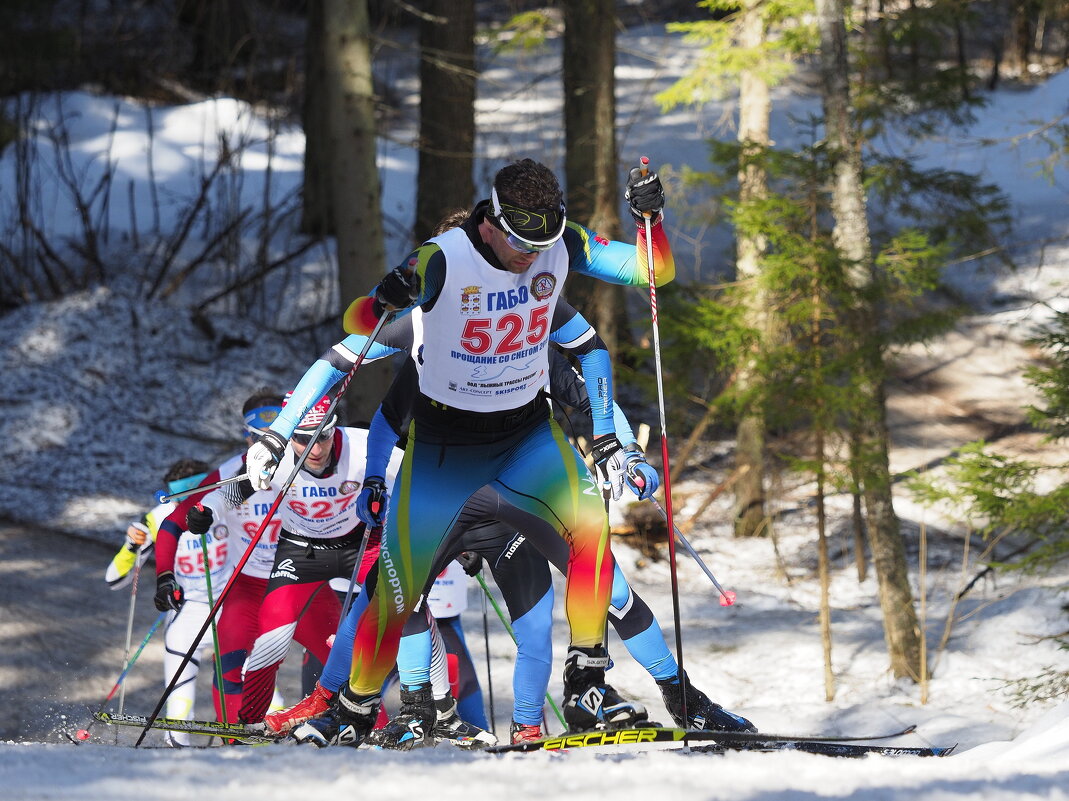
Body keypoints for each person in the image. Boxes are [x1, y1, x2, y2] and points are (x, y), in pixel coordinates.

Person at [246, 158, 676, 746]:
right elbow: (352, 332)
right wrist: (281, 430)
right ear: (491, 222)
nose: (532, 256)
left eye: (543, 243)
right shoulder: (442, 259)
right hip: (446, 450)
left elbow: (652, 271)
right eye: (522, 243)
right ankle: (354, 706)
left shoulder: (559, 243)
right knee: (396, 593)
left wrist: (649, 218)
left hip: (526, 436)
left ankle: (587, 685)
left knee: (590, 531)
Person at [189, 393, 404, 726]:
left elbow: (424, 471)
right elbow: (229, 493)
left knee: (406, 610)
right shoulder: (272, 455)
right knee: (269, 643)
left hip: (358, 546)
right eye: (303, 440)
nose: (316, 450)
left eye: (324, 436)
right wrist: (207, 512)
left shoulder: (363, 445)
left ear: (337, 427)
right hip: (302, 553)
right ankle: (250, 725)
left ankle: (389, 721)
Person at [152, 390, 297, 724]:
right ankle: (234, 742)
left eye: (276, 438)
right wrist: (164, 577)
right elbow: (171, 526)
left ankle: (350, 734)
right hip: (250, 588)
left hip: (304, 579)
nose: (266, 447)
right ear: (246, 436)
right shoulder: (231, 472)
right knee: (232, 666)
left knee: (336, 660)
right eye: (257, 438)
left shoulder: (310, 463)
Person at [107, 457, 224, 746]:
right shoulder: (158, 518)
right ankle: (177, 747)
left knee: (253, 683)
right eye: (177, 499)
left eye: (193, 495)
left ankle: (264, 741)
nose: (183, 506)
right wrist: (133, 545)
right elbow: (113, 578)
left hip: (229, 607)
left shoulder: (226, 504)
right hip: (186, 612)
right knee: (179, 691)